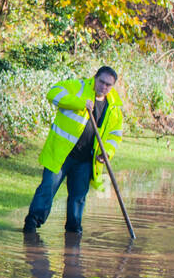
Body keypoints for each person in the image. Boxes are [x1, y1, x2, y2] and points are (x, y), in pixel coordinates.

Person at [22, 65, 124, 234]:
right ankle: (32, 223)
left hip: (85, 160)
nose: (104, 87)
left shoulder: (113, 106)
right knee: (47, 189)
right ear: (95, 77)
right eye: (102, 82)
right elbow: (53, 94)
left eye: (108, 85)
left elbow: (115, 134)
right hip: (61, 154)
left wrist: (107, 152)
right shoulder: (78, 87)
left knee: (78, 198)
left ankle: (74, 232)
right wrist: (79, 103)